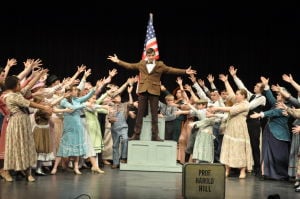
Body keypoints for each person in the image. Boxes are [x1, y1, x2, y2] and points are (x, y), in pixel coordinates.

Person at [107, 47, 197, 141]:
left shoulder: (160, 64)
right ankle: (136, 135)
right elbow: (130, 66)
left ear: (155, 55)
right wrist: (118, 61)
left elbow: (171, 69)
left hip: (154, 90)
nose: (150, 57)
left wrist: (185, 71)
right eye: (148, 55)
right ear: (146, 56)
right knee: (140, 113)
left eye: (152, 55)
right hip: (143, 90)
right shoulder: (142, 63)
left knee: (154, 114)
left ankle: (155, 136)